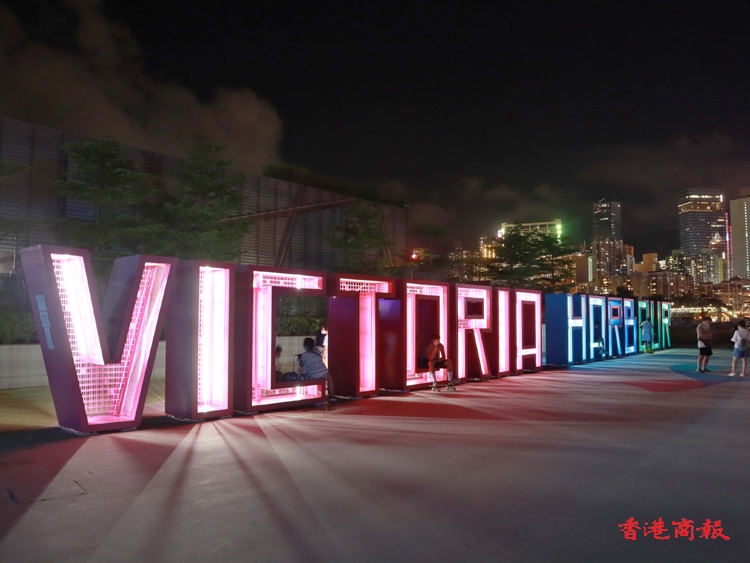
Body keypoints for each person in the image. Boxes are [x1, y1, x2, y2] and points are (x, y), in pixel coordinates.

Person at [297, 337, 337, 402]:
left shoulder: (304, 355)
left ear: (305, 346)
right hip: (323, 372)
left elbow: (301, 366)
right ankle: (332, 396)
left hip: (311, 374)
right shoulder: (317, 353)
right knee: (330, 379)